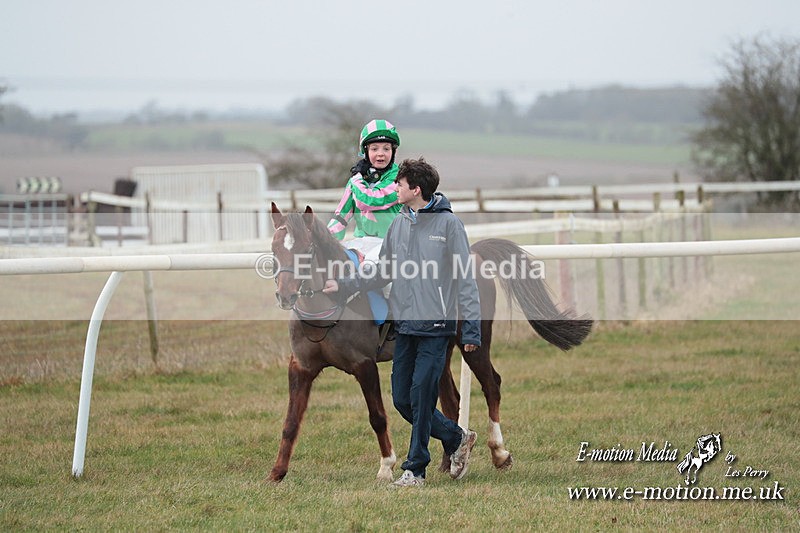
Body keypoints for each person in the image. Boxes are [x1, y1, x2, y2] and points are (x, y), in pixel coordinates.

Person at [323, 157, 480, 487]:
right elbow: (383, 272)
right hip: (405, 324)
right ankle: (456, 438)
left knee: (422, 397)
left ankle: (415, 469)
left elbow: (466, 280)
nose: (394, 187)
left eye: (400, 184)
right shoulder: (398, 225)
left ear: (416, 190)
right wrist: (346, 284)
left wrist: (471, 329)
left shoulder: (450, 226)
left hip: (436, 327)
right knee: (402, 400)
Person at [327, 119, 402, 248]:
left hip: (392, 245)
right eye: (374, 149)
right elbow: (341, 216)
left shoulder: (399, 178)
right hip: (362, 243)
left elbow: (370, 201)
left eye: (386, 149)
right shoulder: (357, 181)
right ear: (366, 152)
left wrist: (356, 178)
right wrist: (323, 239)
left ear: (393, 151)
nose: (380, 153)